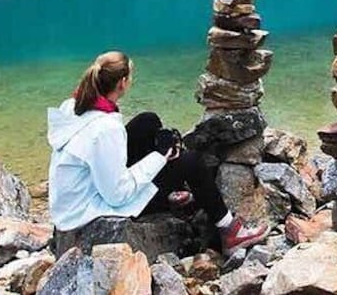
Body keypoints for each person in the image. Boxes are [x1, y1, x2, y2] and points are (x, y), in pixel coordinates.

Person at [47, 51, 268, 254]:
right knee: (191, 162)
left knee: (147, 121)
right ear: (123, 83)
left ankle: (172, 192)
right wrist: (160, 156)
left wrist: (161, 153)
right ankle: (230, 231)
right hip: (86, 210)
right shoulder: (105, 129)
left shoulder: (76, 104)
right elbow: (116, 194)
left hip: (74, 198)